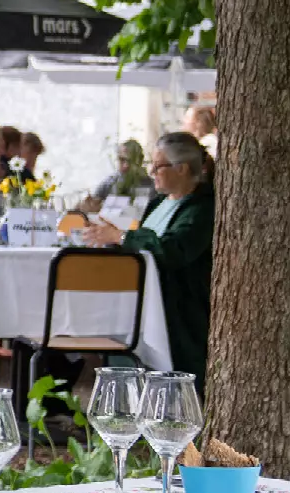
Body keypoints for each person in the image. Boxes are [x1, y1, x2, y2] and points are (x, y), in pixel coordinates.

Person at [82, 132, 216, 387]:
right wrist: (113, 236)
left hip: (180, 310)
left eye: (158, 166)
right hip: (141, 304)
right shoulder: (158, 203)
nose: (152, 171)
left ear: (182, 169)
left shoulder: (202, 208)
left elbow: (172, 250)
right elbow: (144, 240)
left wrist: (122, 236)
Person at [88, 139, 149, 203]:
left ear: (140, 161)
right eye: (121, 160)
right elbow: (93, 204)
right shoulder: (109, 184)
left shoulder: (151, 186)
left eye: (131, 161)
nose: (126, 165)